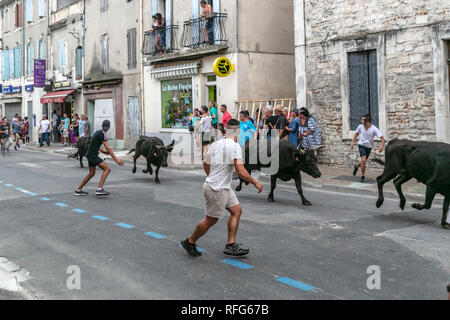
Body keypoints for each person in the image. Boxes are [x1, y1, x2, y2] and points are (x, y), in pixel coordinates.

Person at [181, 119, 263, 257]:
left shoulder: (215, 144)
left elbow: (206, 164)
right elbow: (240, 170)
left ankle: (230, 245)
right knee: (211, 220)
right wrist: (255, 182)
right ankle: (190, 241)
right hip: (216, 189)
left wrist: (212, 175)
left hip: (222, 186)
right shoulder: (235, 146)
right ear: (237, 131)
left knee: (236, 210)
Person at [74, 120, 124, 196]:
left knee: (91, 173)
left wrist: (103, 151)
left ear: (102, 126)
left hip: (90, 155)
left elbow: (93, 143)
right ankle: (100, 189)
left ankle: (78, 190)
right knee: (107, 169)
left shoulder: (98, 132)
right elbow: (108, 147)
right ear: (109, 127)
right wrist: (116, 159)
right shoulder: (103, 134)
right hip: (93, 155)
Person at [350, 114, 386, 183]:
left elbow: (382, 139)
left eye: (363, 120)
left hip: (369, 147)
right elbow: (356, 134)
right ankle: (363, 176)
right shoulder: (360, 127)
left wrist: (381, 146)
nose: (361, 121)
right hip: (361, 145)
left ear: (367, 121)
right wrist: (352, 142)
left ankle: (357, 166)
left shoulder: (374, 129)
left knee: (363, 161)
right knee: (363, 160)